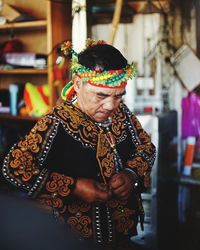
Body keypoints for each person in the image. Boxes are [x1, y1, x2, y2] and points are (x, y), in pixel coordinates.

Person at [2, 39, 156, 249]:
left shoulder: (123, 115)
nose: (111, 105)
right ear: (77, 84)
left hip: (121, 237)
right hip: (68, 240)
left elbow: (146, 148)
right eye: (101, 95)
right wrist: (73, 187)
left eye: (118, 96)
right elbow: (14, 168)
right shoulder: (55, 123)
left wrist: (131, 174)